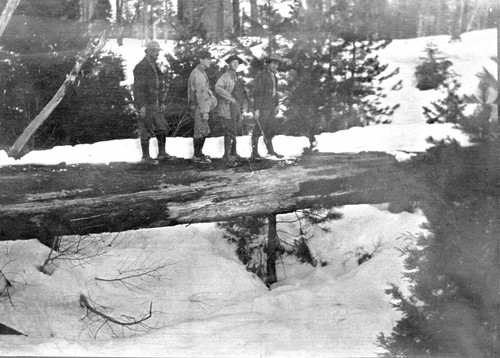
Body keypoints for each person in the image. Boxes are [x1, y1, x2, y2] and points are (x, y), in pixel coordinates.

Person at [133, 40, 176, 164]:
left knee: (161, 127)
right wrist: (141, 106)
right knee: (145, 128)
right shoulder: (141, 67)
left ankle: (162, 153)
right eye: (155, 51)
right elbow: (138, 89)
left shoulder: (155, 66)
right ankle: (145, 157)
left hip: (156, 103)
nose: (157, 54)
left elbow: (159, 85)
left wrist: (161, 101)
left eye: (158, 51)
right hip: (146, 104)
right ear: (149, 51)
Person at [215, 54, 248, 167]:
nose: (235, 64)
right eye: (233, 62)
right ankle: (227, 156)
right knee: (229, 131)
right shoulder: (226, 76)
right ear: (229, 63)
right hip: (228, 107)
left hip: (236, 107)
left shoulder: (235, 76)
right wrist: (230, 98)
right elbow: (218, 87)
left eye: (237, 62)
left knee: (234, 130)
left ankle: (234, 153)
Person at [251, 54, 284, 160]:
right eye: (273, 63)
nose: (275, 66)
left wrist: (276, 105)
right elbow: (257, 93)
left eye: (277, 64)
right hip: (262, 107)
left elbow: (275, 92)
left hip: (271, 107)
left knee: (269, 130)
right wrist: (256, 109)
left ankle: (270, 151)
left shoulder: (274, 76)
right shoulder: (262, 76)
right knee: (258, 129)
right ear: (268, 64)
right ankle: (254, 153)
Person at [187, 51, 218, 164]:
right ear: (201, 60)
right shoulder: (198, 75)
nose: (210, 61)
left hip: (200, 106)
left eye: (210, 59)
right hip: (200, 107)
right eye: (207, 59)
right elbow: (201, 95)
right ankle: (196, 155)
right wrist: (205, 111)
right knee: (200, 131)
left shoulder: (200, 72)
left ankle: (199, 153)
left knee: (203, 130)